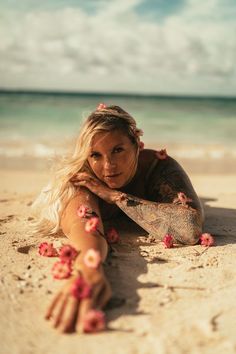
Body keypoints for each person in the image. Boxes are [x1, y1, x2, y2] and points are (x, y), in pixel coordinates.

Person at [33, 104, 204, 334]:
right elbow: (84, 228)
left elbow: (189, 227)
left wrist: (114, 196)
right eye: (96, 155)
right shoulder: (84, 179)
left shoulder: (157, 166)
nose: (108, 166)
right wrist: (88, 271)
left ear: (136, 144)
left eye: (117, 150)